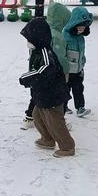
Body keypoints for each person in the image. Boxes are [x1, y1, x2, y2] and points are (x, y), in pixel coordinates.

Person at [19, 18, 75, 157]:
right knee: (37, 116)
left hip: (53, 95)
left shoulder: (45, 53)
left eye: (29, 39)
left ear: (38, 39)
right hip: (42, 93)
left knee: (55, 122)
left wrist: (27, 78)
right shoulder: (37, 51)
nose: (27, 43)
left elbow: (44, 71)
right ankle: (48, 139)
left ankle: (67, 147)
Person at [21, 3, 71, 130]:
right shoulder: (57, 36)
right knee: (56, 99)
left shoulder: (43, 29)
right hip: (52, 74)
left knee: (37, 96)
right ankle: (58, 122)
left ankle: (30, 117)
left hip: (36, 71)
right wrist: (66, 70)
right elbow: (58, 57)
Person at [62, 7, 93, 117]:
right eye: (79, 27)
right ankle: (63, 107)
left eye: (83, 28)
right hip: (67, 71)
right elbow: (62, 52)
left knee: (79, 89)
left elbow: (82, 52)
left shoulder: (80, 38)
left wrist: (82, 62)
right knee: (65, 90)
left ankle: (80, 107)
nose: (81, 30)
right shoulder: (65, 35)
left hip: (78, 70)